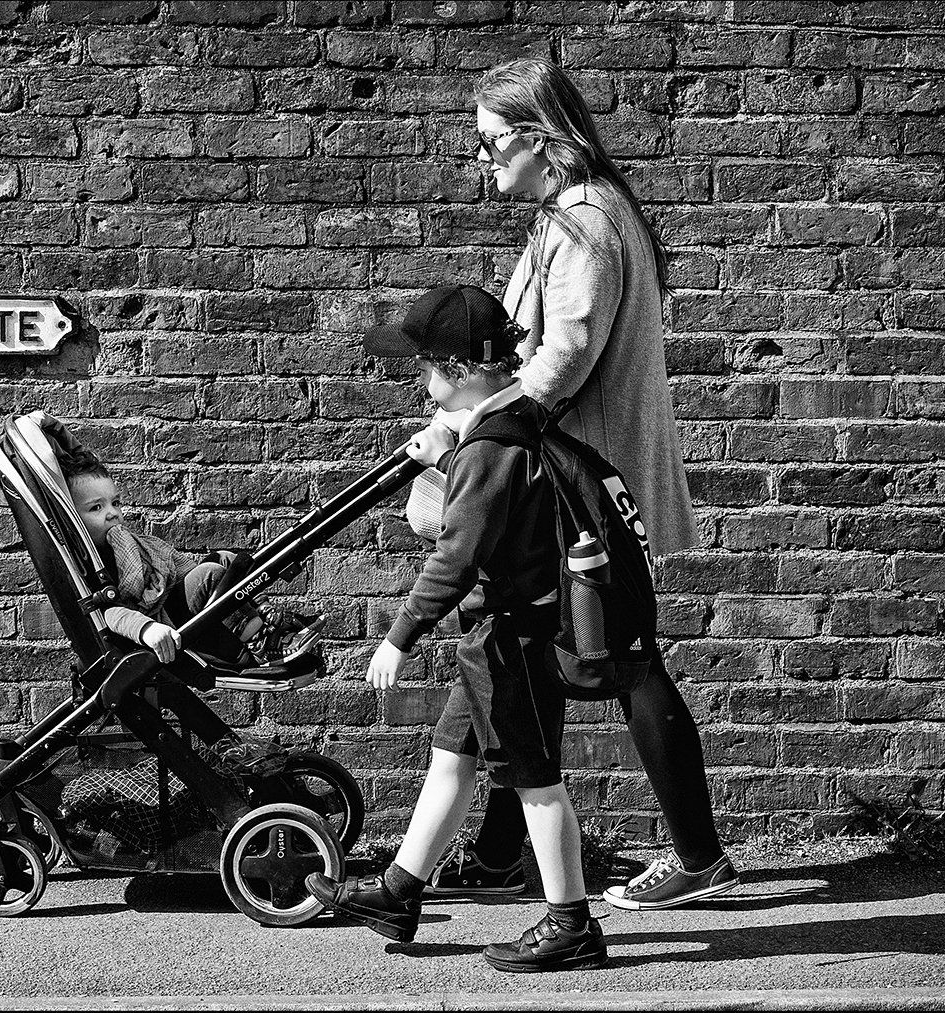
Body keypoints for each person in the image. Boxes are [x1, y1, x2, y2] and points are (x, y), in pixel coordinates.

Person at [423, 56, 738, 911]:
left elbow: (558, 362)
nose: (484, 159)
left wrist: (465, 425)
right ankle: (496, 849)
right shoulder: (577, 215)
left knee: (626, 657)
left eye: (492, 143)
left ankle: (698, 856)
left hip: (581, 485)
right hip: (568, 479)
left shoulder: (582, 222)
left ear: (539, 139)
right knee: (525, 646)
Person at [307, 284, 608, 974]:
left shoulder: (487, 449)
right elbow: (497, 510)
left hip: (514, 640)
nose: (420, 382)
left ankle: (572, 924)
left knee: (534, 781)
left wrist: (399, 634)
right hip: (500, 636)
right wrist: (447, 450)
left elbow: (457, 553)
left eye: (425, 368)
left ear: (464, 369)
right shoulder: (514, 423)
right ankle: (397, 891)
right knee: (452, 756)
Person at [61, 449, 254, 665]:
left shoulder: (136, 544)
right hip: (163, 623)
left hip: (174, 601)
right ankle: (257, 640)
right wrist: (146, 629)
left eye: (115, 503)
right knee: (210, 574)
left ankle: (267, 619)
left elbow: (181, 567)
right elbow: (109, 613)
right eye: (96, 507)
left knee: (225, 559)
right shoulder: (92, 563)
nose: (113, 513)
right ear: (73, 520)